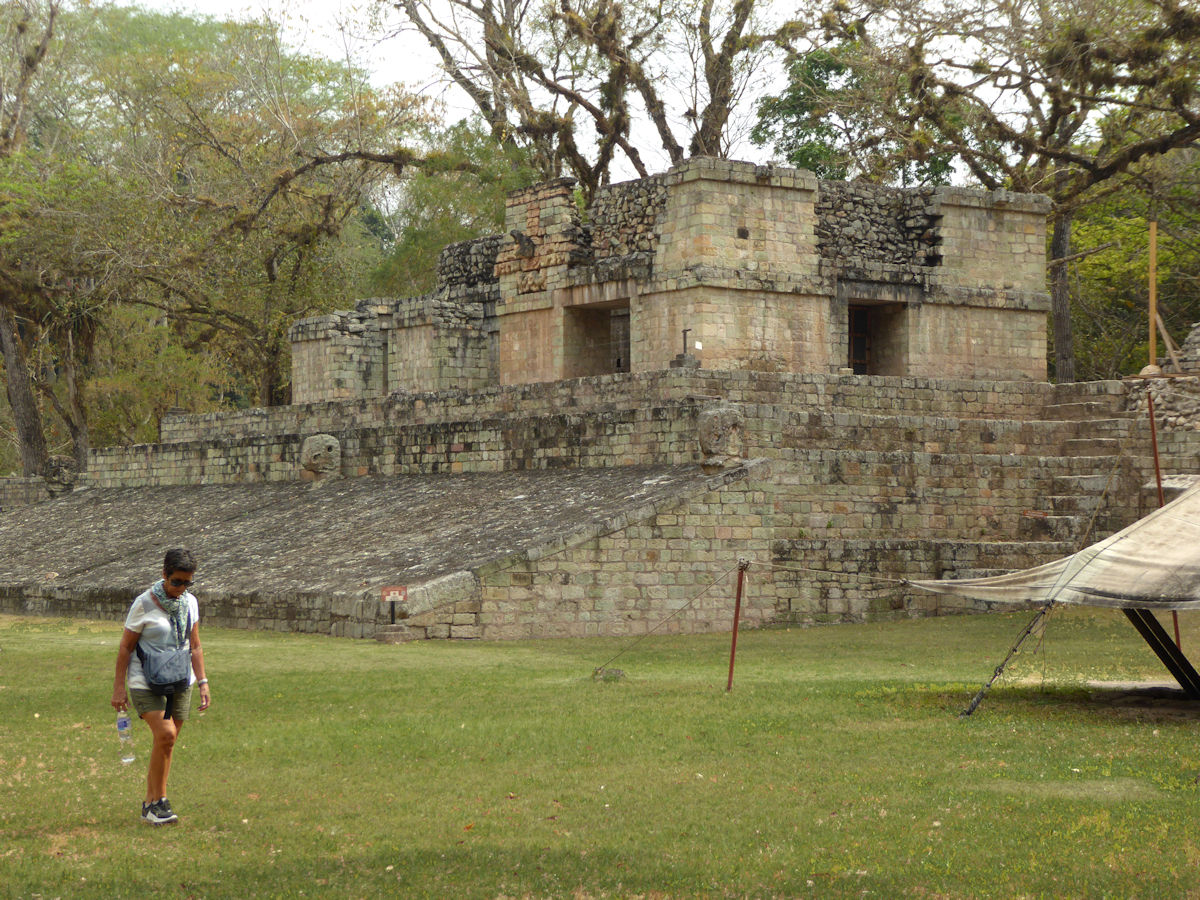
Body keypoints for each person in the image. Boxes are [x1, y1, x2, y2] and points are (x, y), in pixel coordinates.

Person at [111, 548, 211, 825]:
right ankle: (158, 802)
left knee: (166, 742)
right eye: (176, 581)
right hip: (146, 681)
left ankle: (152, 804)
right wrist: (119, 688)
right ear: (164, 575)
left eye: (187, 582)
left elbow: (196, 645)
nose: (181, 588)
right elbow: (125, 648)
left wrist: (202, 681)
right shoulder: (144, 603)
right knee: (166, 734)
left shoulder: (190, 603)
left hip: (180, 678)